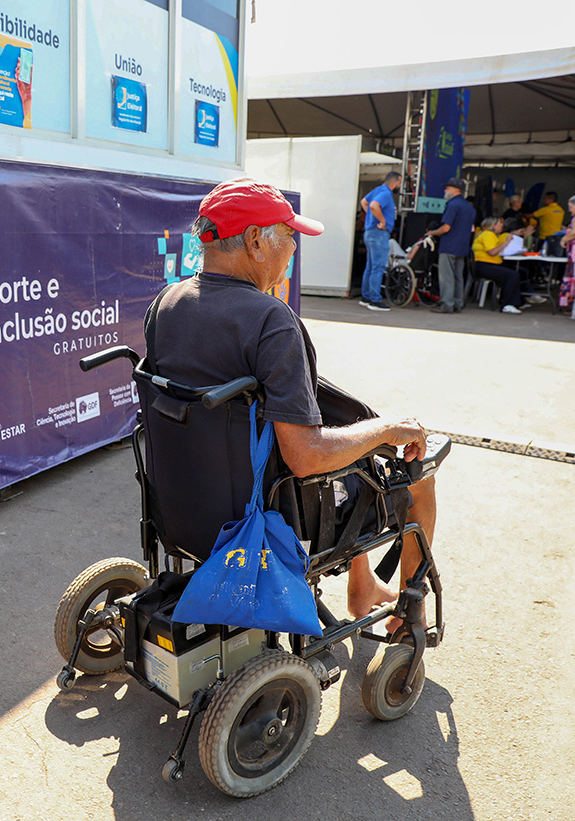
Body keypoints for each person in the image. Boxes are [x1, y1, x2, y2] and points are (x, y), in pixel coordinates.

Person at [146, 178, 437, 630]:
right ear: (255, 241)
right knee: (415, 474)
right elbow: (306, 457)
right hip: (262, 521)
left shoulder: (168, 303)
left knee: (352, 452)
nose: (294, 248)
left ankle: (362, 586)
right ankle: (409, 615)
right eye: (288, 235)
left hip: (182, 509)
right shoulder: (271, 321)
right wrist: (386, 429)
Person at [424, 177, 476, 313]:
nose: (445, 191)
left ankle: (447, 304)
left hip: (449, 245)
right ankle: (458, 304)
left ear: (455, 190)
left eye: (447, 188)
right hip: (463, 246)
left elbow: (446, 228)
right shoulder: (470, 208)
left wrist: (433, 232)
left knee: (446, 276)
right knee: (458, 276)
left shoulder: (452, 205)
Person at [359, 172, 401, 312]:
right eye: (400, 183)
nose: (400, 186)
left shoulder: (377, 190)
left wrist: (371, 217)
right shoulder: (386, 193)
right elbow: (373, 205)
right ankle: (374, 300)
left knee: (371, 266)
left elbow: (364, 202)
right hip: (379, 233)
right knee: (378, 267)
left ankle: (366, 297)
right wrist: (382, 221)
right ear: (396, 182)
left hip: (370, 232)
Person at [472, 216, 530, 314]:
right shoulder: (488, 235)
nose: (502, 225)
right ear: (493, 225)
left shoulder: (492, 235)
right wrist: (507, 242)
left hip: (487, 264)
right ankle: (508, 304)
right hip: (484, 265)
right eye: (500, 223)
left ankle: (516, 301)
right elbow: (492, 252)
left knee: (516, 271)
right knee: (512, 275)